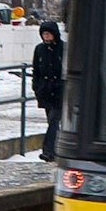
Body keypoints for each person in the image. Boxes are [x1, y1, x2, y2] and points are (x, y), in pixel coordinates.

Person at [33, 20, 64, 161]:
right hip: (45, 91)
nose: (46, 37)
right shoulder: (39, 49)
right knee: (52, 121)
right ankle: (56, 150)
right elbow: (36, 71)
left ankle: (48, 150)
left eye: (48, 34)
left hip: (59, 92)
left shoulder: (63, 48)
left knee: (54, 120)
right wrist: (37, 87)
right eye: (44, 34)